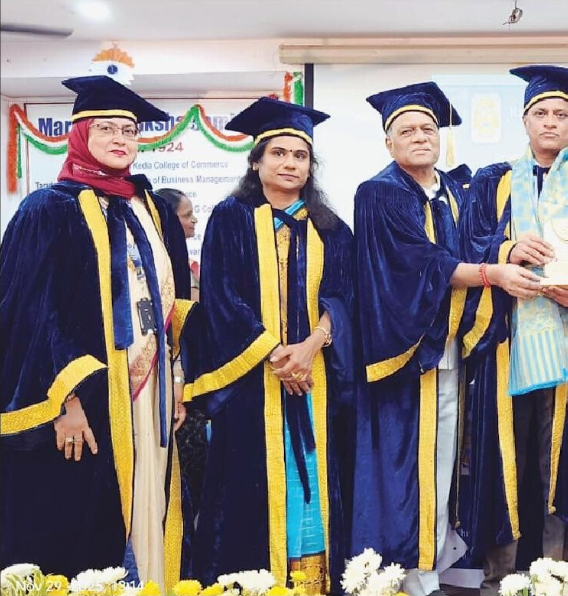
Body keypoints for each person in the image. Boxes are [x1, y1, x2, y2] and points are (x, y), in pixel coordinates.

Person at [0, 75, 193, 588]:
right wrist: (64, 400)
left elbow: (172, 300)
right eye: (105, 128)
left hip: (149, 390)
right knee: (85, 517)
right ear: (80, 134)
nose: (120, 139)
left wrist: (178, 378)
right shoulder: (48, 209)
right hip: (86, 397)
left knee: (150, 497)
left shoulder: (150, 209)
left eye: (128, 130)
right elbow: (29, 311)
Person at [350, 82, 537, 596]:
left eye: (428, 128)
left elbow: (475, 244)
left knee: (443, 456)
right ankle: (401, 571)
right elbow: (420, 260)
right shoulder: (379, 192)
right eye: (407, 130)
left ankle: (429, 564)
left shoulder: (454, 191)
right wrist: (492, 273)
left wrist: (509, 250)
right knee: (403, 461)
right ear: (388, 142)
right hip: (405, 350)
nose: (420, 137)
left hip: (449, 344)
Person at [457, 65, 568, 596]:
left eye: (562, 114)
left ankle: (556, 574)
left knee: (561, 462)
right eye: (541, 113)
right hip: (505, 341)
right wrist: (507, 250)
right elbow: (466, 246)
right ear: (525, 120)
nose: (551, 122)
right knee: (506, 460)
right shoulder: (492, 180)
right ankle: (500, 576)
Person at [184, 97, 355, 595]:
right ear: (256, 161)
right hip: (250, 383)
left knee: (314, 480)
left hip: (315, 378)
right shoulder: (230, 217)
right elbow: (221, 296)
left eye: (300, 156)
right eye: (278, 153)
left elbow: (345, 295)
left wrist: (312, 346)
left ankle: (311, 583)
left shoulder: (330, 226)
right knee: (247, 487)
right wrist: (278, 354)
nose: (289, 164)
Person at [159, 186, 208, 579]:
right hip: (167, 399)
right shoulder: (156, 273)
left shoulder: (187, 269)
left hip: (190, 395)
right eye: (186, 215)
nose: (193, 221)